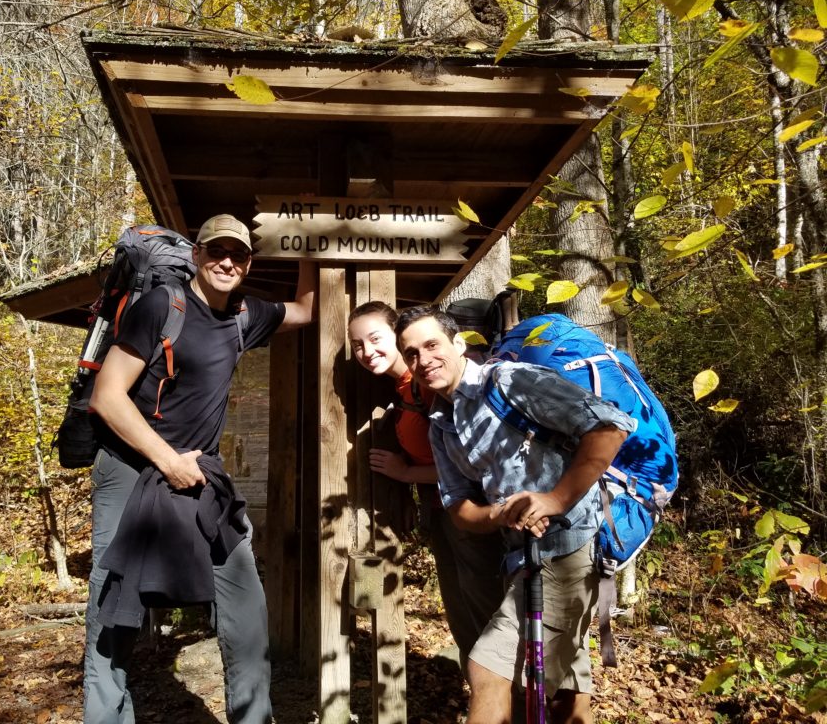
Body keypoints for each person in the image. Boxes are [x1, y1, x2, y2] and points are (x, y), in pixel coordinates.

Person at [84, 213, 316, 724]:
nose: (227, 262)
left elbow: (306, 309)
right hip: (131, 468)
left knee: (245, 601)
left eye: (238, 254)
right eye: (216, 251)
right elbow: (107, 396)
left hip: (198, 475)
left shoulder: (244, 316)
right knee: (113, 608)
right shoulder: (159, 306)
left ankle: (253, 716)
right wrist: (166, 460)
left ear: (249, 262)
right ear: (197, 256)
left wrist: (307, 234)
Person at [394, 305, 635, 724]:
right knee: (565, 692)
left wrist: (556, 499)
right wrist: (499, 515)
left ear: (458, 343)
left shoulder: (511, 381)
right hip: (520, 556)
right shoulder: (441, 422)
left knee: (489, 667)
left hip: (571, 546)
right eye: (411, 353)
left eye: (431, 344)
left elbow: (610, 427)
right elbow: (458, 507)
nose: (422, 359)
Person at [347, 301, 504, 670]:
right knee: (466, 621)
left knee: (488, 622)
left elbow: (473, 464)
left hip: (474, 517)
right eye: (358, 345)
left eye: (376, 338)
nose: (368, 352)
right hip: (445, 515)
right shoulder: (406, 389)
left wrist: (405, 475)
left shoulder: (431, 386)